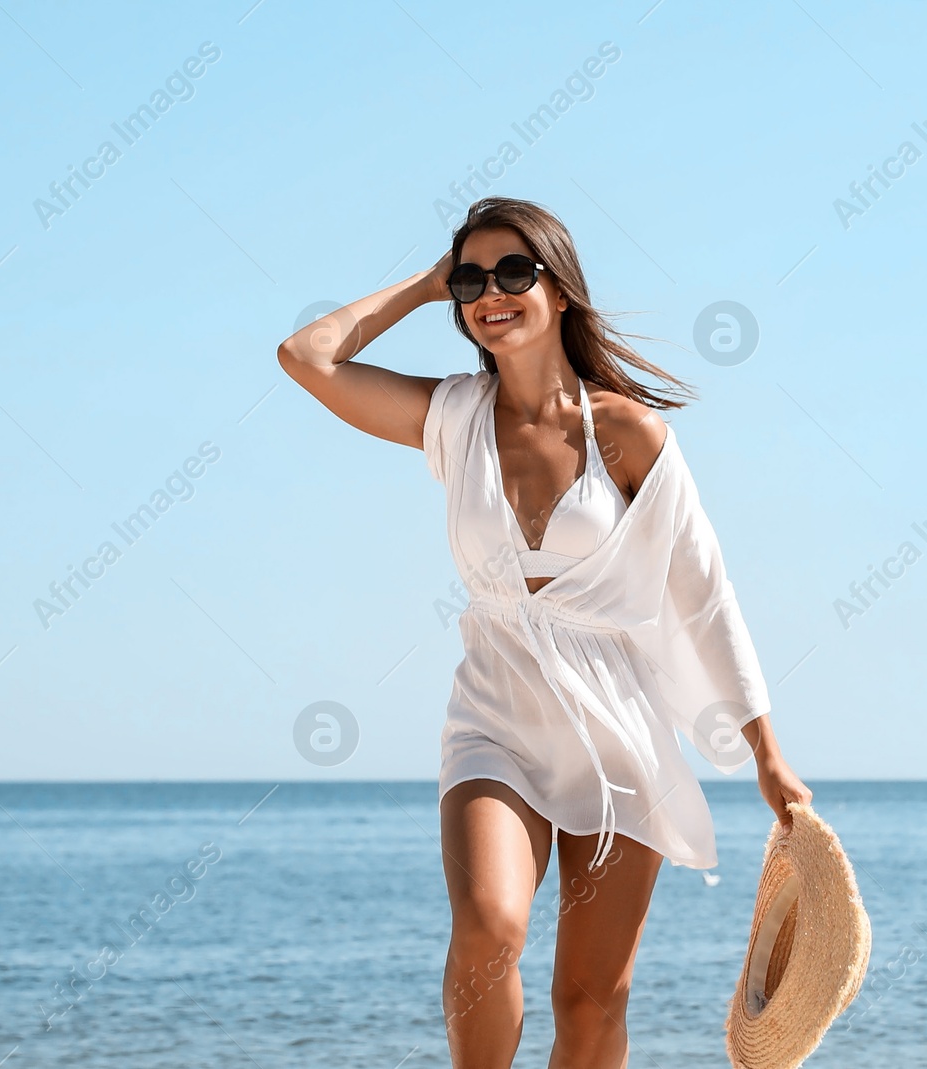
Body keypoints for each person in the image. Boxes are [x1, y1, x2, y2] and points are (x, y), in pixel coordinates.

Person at [276, 196, 811, 1068]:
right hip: (496, 719)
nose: (492, 292)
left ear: (560, 290)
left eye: (515, 273)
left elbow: (704, 595)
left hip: (619, 732)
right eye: (472, 279)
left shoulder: (631, 434)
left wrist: (766, 752)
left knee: (591, 1006)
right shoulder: (449, 415)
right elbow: (307, 356)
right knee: (489, 933)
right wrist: (423, 284)